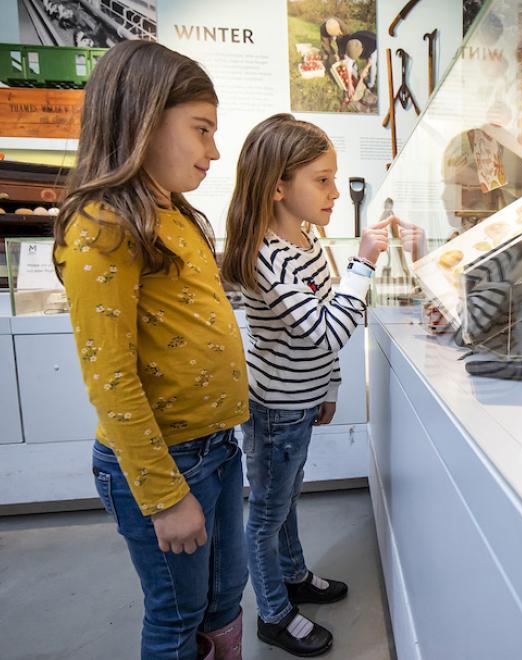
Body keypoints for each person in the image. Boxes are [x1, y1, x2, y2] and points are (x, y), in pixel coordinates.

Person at [52, 40, 249, 660]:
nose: (214, 151)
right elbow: (110, 378)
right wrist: (164, 497)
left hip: (217, 447)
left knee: (224, 596)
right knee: (177, 613)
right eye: (201, 130)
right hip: (163, 464)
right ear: (141, 118)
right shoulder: (103, 226)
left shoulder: (181, 216)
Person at [222, 114, 390, 657]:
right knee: (268, 513)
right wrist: (364, 263)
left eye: (334, 178)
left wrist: (330, 387)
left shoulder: (308, 239)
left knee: (286, 498)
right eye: (322, 179)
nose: (336, 191)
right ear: (278, 186)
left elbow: (324, 320)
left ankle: (293, 577)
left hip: (301, 401)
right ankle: (273, 611)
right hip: (274, 408)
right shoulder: (267, 257)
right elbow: (325, 330)